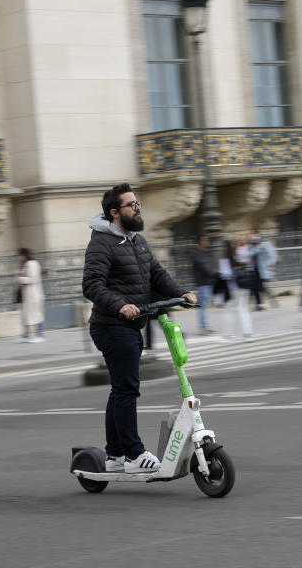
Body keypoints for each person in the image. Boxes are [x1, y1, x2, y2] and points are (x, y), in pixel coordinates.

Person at [82, 183, 197, 473]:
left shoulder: (136, 240)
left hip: (131, 325)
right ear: (115, 212)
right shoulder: (102, 243)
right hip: (111, 325)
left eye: (138, 203)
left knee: (120, 389)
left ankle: (115, 456)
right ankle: (133, 454)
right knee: (127, 389)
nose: (138, 208)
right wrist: (120, 304)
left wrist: (182, 293)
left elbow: (156, 274)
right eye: (131, 204)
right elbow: (92, 284)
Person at [226, 237, 255, 341]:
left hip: (237, 286)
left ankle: (246, 333)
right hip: (245, 284)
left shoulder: (230, 258)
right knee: (244, 309)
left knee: (240, 309)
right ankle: (248, 332)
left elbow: (229, 273)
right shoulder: (241, 255)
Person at [16, 248, 45, 342]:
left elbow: (33, 279)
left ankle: (40, 335)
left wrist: (20, 279)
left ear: (23, 255)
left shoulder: (32, 264)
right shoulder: (26, 263)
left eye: (20, 255)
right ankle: (27, 334)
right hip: (28, 295)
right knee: (27, 315)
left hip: (34, 294)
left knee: (37, 315)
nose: (19, 257)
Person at [191, 236, 217, 334]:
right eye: (205, 240)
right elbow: (205, 268)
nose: (207, 241)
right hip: (203, 284)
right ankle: (203, 328)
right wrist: (214, 274)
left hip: (207, 283)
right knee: (203, 306)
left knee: (205, 306)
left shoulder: (204, 253)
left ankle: (205, 326)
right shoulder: (197, 254)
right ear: (200, 242)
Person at [247, 231, 278, 310]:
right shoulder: (251, 245)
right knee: (254, 287)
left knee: (259, 286)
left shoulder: (265, 243)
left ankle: (268, 296)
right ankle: (259, 304)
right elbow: (249, 255)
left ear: (257, 235)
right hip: (253, 269)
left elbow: (272, 253)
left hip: (262, 269)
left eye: (253, 235)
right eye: (250, 236)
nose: (251, 237)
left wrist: (271, 262)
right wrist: (256, 248)